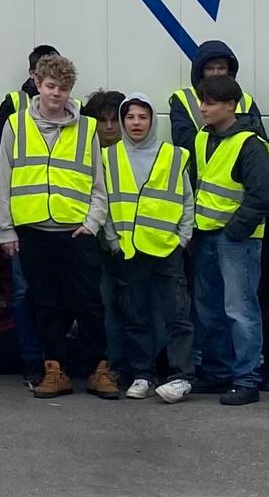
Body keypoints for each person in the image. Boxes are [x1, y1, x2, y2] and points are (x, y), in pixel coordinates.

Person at [0, 53, 118, 399]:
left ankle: (98, 369)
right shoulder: (16, 125)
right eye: (50, 86)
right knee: (45, 305)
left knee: (89, 303)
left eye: (63, 88)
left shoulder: (87, 127)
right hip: (33, 230)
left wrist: (92, 223)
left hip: (76, 231)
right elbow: (3, 180)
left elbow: (98, 183)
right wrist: (6, 229)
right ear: (37, 84)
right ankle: (55, 370)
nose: (56, 93)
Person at [102, 93, 196, 404]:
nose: (136, 123)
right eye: (130, 117)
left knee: (177, 315)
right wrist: (113, 240)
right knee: (135, 316)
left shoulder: (174, 155)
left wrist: (182, 238)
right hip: (129, 250)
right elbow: (104, 201)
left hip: (167, 249)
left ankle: (181, 376)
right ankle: (142, 374)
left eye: (143, 117)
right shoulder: (109, 157)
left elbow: (187, 200)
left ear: (153, 121)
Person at [190, 76, 269, 406]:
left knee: (240, 311)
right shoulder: (203, 138)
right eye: (202, 101)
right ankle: (216, 373)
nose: (203, 108)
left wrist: (234, 230)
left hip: (237, 240)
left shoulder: (250, 145)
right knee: (209, 309)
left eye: (210, 103)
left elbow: (261, 195)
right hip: (207, 235)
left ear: (230, 106)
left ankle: (247, 379)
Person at [0, 43, 57, 387]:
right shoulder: (13, 107)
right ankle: (31, 361)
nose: (52, 85)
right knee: (23, 294)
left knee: (56, 297)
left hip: (62, 225)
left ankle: (56, 362)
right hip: (23, 223)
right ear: (33, 75)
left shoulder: (74, 112)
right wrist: (3, 226)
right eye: (43, 74)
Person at [83, 89, 128, 389]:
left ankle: (132, 365)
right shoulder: (85, 155)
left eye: (115, 119)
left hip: (129, 244)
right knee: (104, 307)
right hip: (92, 244)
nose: (109, 126)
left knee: (131, 309)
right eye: (102, 120)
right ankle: (108, 365)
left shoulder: (135, 154)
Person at [168, 40, 264, 151]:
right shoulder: (183, 98)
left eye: (221, 68)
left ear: (229, 71)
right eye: (209, 68)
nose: (215, 73)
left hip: (242, 160)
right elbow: (184, 142)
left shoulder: (245, 100)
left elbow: (259, 139)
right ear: (201, 71)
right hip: (200, 161)